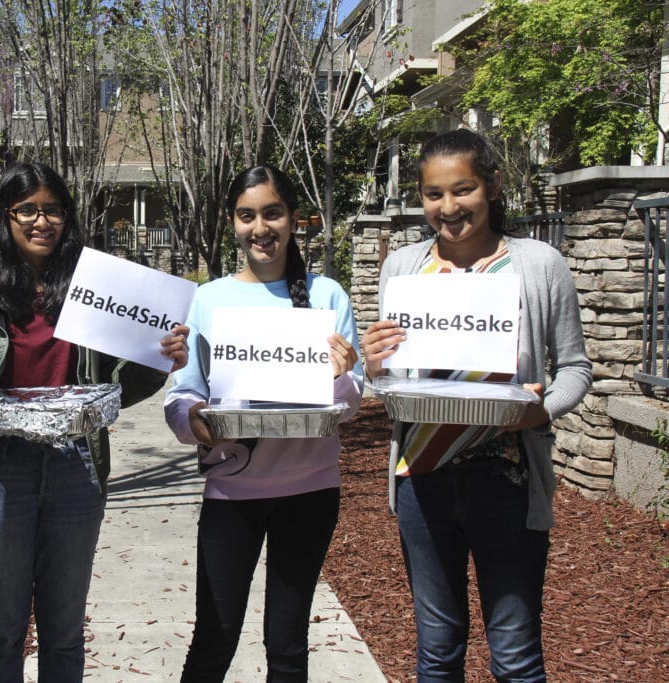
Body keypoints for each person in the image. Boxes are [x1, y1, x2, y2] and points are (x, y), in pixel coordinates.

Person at [0, 161, 189, 682]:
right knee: (2, 629)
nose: (40, 221)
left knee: (65, 631)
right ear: (4, 218)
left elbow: (119, 382)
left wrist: (158, 358)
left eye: (52, 210)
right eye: (26, 209)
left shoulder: (93, 291)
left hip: (76, 466)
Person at [362, 129, 592, 682]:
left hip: (508, 480)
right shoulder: (403, 269)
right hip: (422, 478)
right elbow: (385, 380)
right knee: (437, 651)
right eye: (433, 194)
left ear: (490, 186)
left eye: (462, 189)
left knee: (514, 652)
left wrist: (544, 409)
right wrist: (370, 368)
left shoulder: (537, 265)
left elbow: (576, 370)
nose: (448, 207)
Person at [163, 165, 363, 681]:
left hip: (311, 491)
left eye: (272, 213)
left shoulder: (328, 297)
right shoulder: (208, 298)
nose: (260, 227)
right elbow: (183, 393)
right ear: (232, 222)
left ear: (294, 219)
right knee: (213, 639)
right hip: (231, 494)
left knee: (288, 646)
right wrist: (195, 422)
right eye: (247, 215)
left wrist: (341, 376)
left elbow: (353, 401)